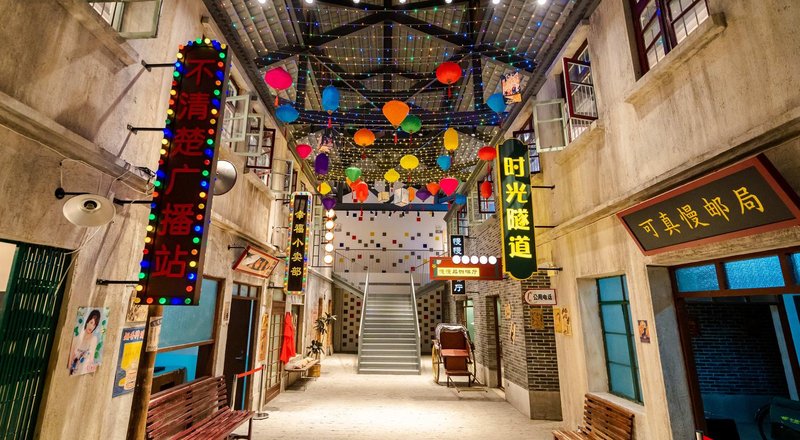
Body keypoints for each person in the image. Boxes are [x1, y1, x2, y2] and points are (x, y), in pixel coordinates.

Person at [68, 309, 101, 375]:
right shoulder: (76, 338)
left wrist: (94, 366)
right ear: (87, 322)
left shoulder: (94, 339)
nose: (92, 327)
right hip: (74, 371)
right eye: (91, 322)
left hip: (84, 371)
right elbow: (70, 360)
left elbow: (91, 359)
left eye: (94, 325)